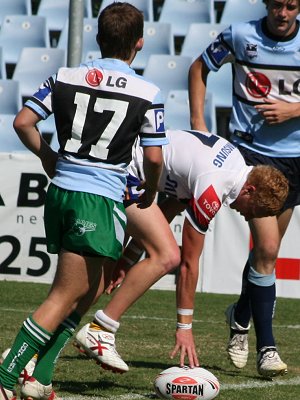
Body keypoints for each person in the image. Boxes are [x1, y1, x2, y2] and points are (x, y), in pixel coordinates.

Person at [0, 2, 180, 400]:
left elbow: (23, 122)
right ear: (138, 44)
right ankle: (6, 378)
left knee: (89, 291)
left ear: (98, 38)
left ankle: (40, 380)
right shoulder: (147, 91)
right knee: (65, 295)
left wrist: (49, 157)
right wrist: (151, 192)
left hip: (62, 191)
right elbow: (154, 158)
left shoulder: (64, 76)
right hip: (97, 197)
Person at [73, 129, 289, 374]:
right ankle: (99, 329)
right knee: (167, 256)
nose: (248, 216)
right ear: (249, 190)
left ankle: (49, 346)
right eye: (254, 210)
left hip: (122, 164)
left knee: (101, 275)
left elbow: (165, 210)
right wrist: (184, 328)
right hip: (120, 170)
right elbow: (188, 263)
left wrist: (129, 258)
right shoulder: (214, 186)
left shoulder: (235, 163)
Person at [188, 0, 300, 377]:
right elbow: (199, 67)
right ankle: (266, 349)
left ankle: (239, 315)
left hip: (295, 161)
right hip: (253, 157)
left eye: (292, 6)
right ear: (267, 4)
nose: (283, 14)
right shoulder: (241, 35)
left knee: (265, 256)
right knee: (266, 249)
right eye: (278, 5)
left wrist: (293, 111)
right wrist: (198, 121)